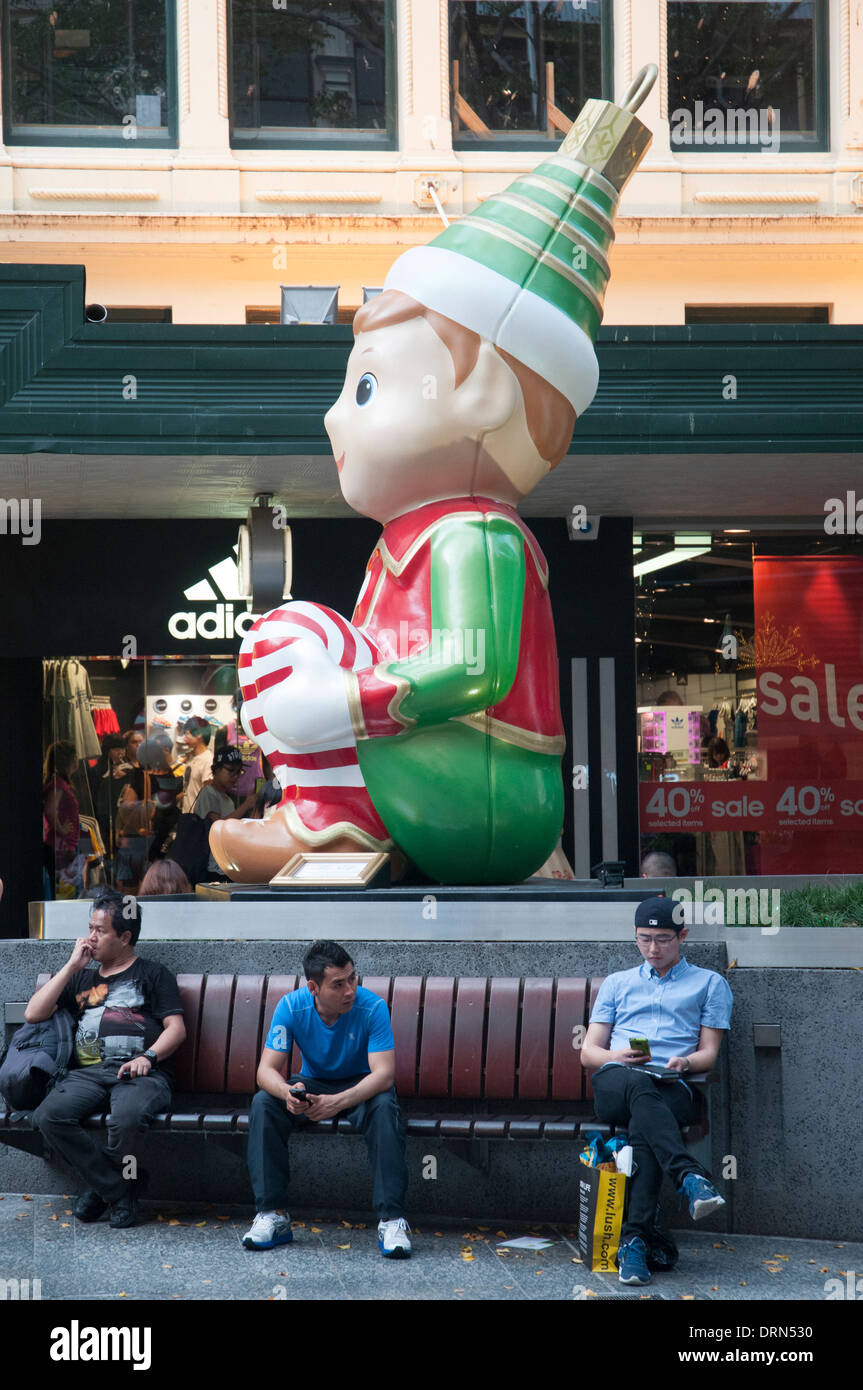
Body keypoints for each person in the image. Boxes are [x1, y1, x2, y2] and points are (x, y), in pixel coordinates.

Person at [582, 895, 732, 1286]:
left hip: (669, 1086)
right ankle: (688, 1177)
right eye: (643, 939)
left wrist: (685, 1063)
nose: (652, 948)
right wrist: (618, 1054)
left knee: (644, 1130)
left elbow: (709, 1054)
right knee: (635, 1083)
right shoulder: (617, 984)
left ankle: (633, 1243)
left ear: (683, 935)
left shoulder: (710, 984)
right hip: (617, 1080)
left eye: (663, 939)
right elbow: (588, 1053)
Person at [28, 890, 186, 1229]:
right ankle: (119, 1189)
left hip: (141, 1073)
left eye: (100, 930)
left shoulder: (153, 974)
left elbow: (177, 1029)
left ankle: (104, 1191)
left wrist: (149, 1056)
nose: (91, 937)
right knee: (49, 1116)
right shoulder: (83, 977)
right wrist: (72, 965)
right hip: (88, 1074)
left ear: (125, 937)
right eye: (90, 927)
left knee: (127, 1118)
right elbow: (32, 1013)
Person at [243, 939, 411, 1258]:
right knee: (264, 1103)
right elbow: (265, 1071)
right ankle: (272, 1215)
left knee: (385, 1105)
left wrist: (338, 1102)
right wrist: (288, 1094)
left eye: (352, 978)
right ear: (313, 987)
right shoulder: (292, 1007)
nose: (349, 989)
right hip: (312, 1083)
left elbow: (384, 1075)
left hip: (363, 1083)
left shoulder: (372, 1007)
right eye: (338, 984)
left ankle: (392, 1220)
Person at [192, 747, 257, 880]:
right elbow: (219, 825)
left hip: (224, 863)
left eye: (239, 772)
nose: (236, 776)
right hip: (211, 866)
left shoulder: (226, 798)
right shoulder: (208, 792)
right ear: (216, 769)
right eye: (231, 771)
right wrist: (245, 805)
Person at [42, 739, 80, 887]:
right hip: (59, 846)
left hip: (63, 845)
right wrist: (61, 828)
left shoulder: (60, 783)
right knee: (63, 886)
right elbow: (50, 810)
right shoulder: (58, 784)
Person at [180, 717, 213, 813]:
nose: (184, 738)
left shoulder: (208, 760)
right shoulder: (190, 757)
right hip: (186, 814)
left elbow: (208, 793)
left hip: (198, 817)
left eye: (187, 734)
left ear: (199, 734)